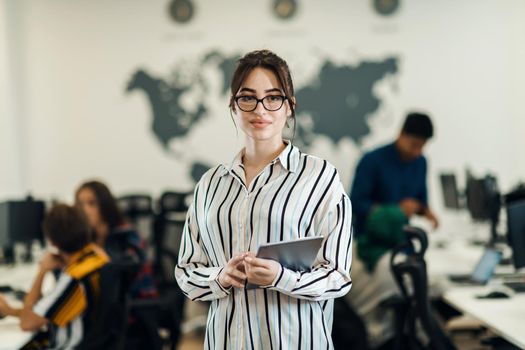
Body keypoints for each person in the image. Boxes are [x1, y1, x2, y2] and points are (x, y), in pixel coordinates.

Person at [175, 49, 353, 349]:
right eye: (248, 97)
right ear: (233, 106)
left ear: (289, 107)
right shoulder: (209, 185)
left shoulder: (320, 177)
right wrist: (221, 276)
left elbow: (338, 276)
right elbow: (186, 271)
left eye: (273, 97)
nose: (260, 109)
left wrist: (282, 277)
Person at [346, 112, 437, 348]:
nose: (417, 151)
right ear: (401, 135)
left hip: (402, 241)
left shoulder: (421, 162)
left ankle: (417, 337)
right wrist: (395, 209)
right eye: (414, 144)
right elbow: (356, 203)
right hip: (372, 240)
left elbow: (420, 200)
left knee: (429, 286)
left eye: (422, 146)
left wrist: (425, 211)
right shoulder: (372, 160)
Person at [0, 204, 110, 349]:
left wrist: (42, 271)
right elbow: (46, 313)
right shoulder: (98, 258)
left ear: (51, 241)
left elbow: (27, 323)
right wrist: (10, 311)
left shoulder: (74, 278)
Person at [75, 180, 157, 299]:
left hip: (132, 306)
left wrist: (100, 256)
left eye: (91, 203)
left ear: (105, 205)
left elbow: (130, 269)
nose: (85, 210)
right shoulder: (84, 238)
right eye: (80, 204)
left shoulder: (126, 234)